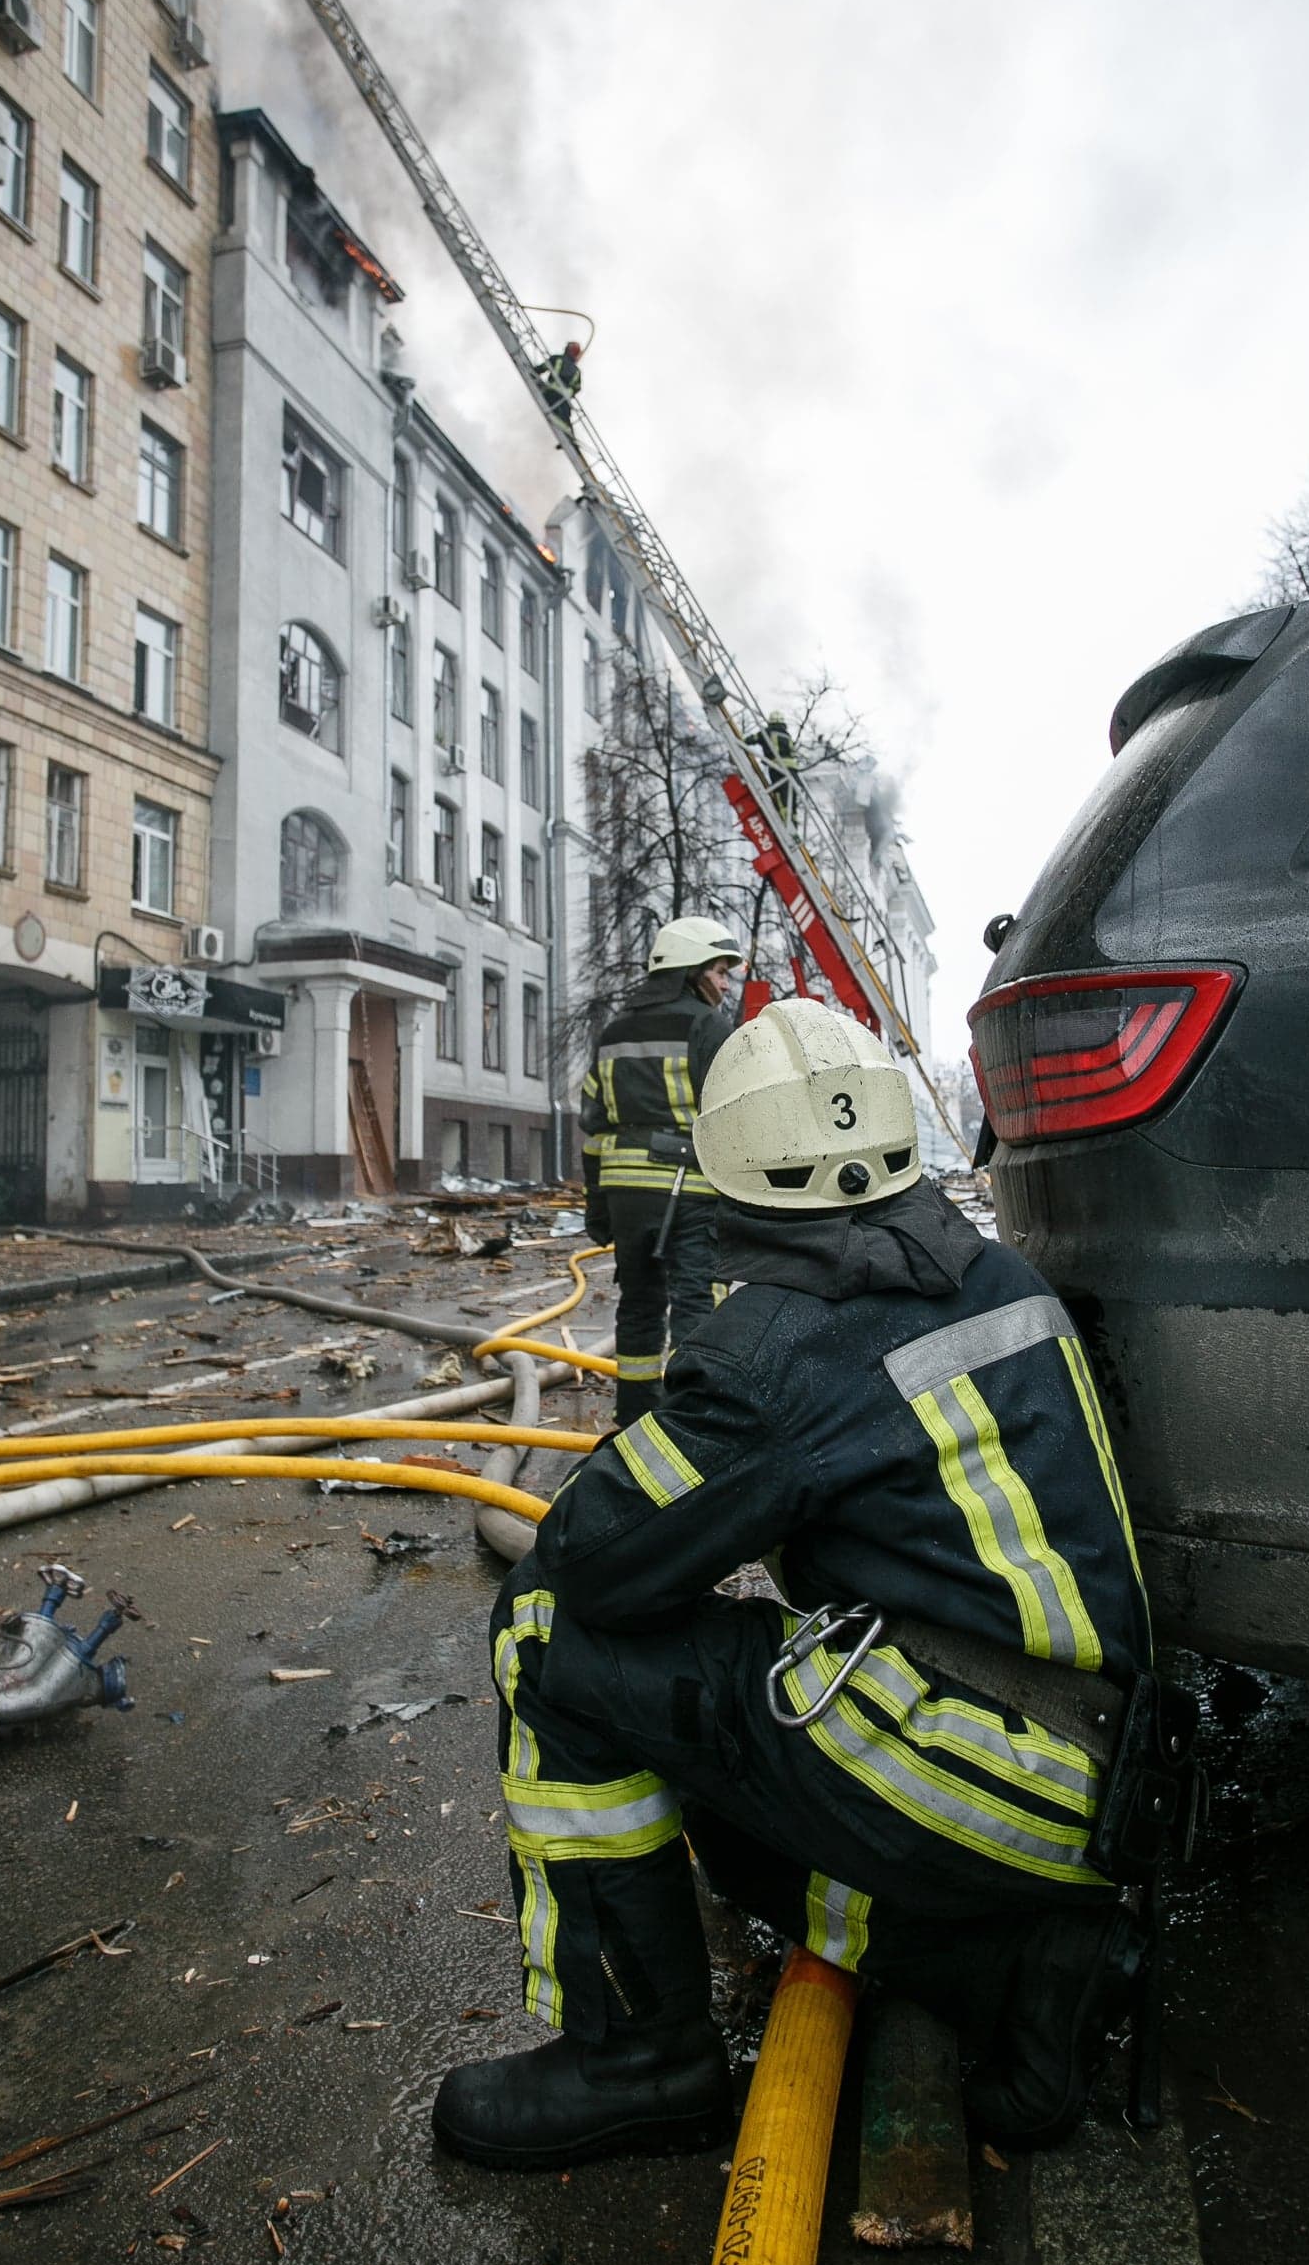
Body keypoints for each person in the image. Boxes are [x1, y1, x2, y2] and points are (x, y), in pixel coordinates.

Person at [434, 998, 1157, 2171]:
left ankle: (640, 2059)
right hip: (1097, 1775)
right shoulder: (990, 1269)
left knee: (545, 1638)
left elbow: (591, 1563)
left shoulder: (782, 1343)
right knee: (734, 1841)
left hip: (978, 1758)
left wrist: (702, 1392)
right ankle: (1014, 1974)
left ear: (727, 1173)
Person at [578, 917, 742, 1425]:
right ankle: (691, 1424)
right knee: (699, 1304)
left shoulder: (613, 1033)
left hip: (626, 1195)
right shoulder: (708, 1027)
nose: (725, 983)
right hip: (689, 1190)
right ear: (689, 971)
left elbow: (593, 1125)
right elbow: (732, 1115)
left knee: (639, 1306)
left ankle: (633, 1422)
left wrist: (597, 1206)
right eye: (719, 970)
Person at [746, 709, 801, 818]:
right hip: (793, 768)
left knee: (780, 793)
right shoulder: (787, 735)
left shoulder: (767, 732)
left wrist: (742, 741)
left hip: (778, 767)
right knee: (791, 795)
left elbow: (752, 739)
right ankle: (793, 819)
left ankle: (785, 818)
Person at [538, 338, 584, 427]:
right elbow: (577, 388)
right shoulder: (577, 371)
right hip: (563, 401)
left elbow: (541, 368)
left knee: (557, 414)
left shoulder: (557, 359)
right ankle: (569, 433)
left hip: (550, 393)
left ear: (567, 350)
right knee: (566, 423)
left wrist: (533, 372)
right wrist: (569, 393)